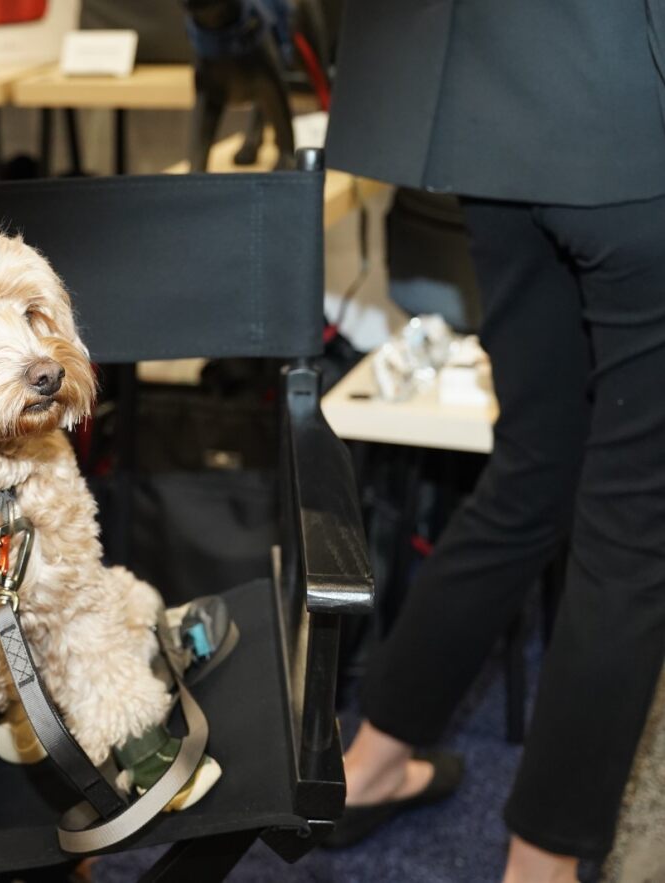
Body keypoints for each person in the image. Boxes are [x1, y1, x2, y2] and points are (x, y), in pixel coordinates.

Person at [322, 2, 665, 881]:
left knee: (534, 469)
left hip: (492, 102)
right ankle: (541, 863)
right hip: (636, 112)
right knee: (633, 528)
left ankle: (372, 765)